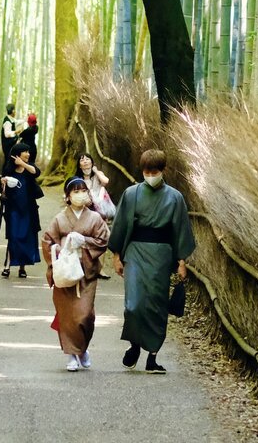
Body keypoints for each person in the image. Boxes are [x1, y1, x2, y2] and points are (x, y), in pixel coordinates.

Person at [107, 148, 195, 374]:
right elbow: (120, 225)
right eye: (146, 170)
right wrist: (117, 256)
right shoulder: (131, 193)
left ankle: (152, 356)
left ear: (163, 170)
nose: (150, 174)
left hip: (162, 255)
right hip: (135, 251)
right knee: (134, 304)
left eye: (154, 171)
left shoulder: (175, 197)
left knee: (157, 305)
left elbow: (181, 230)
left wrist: (182, 261)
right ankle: (135, 345)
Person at [42, 178, 111, 372]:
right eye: (76, 191)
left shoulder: (95, 219)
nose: (81, 194)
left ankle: (82, 349)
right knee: (67, 315)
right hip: (65, 272)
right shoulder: (59, 219)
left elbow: (103, 240)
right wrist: (59, 249)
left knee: (85, 315)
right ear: (68, 196)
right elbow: (47, 241)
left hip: (85, 273)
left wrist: (84, 241)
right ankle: (71, 354)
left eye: (83, 191)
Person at [0, 146, 43, 278]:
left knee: (27, 237)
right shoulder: (9, 169)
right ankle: (7, 266)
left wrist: (23, 164)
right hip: (13, 209)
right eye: (25, 152)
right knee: (13, 237)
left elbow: (36, 172)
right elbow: (2, 191)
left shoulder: (29, 168)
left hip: (28, 210)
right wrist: (3, 183)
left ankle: (22, 268)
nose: (28, 154)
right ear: (17, 154)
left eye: (28, 152)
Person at [72, 153, 116, 278]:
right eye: (82, 159)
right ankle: (85, 267)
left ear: (92, 162)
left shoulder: (97, 175)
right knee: (84, 239)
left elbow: (105, 181)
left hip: (99, 212)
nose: (85, 161)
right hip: (83, 211)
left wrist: (96, 171)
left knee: (103, 239)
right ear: (79, 164)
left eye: (87, 159)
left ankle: (100, 269)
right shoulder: (77, 179)